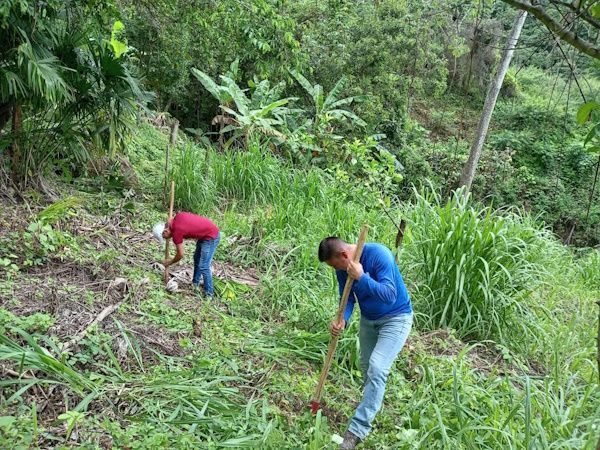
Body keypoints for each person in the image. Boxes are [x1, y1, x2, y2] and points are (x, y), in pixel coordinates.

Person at [318, 237, 413, 450]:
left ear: (343, 255)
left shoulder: (380, 254)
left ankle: (356, 431)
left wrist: (362, 277)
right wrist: (343, 318)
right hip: (369, 320)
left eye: (335, 265)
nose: (336, 270)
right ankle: (371, 403)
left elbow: (389, 295)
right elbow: (348, 297)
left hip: (396, 318)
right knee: (366, 366)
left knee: (377, 367)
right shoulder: (341, 268)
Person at [153, 212, 220, 298]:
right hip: (205, 234)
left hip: (211, 236)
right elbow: (170, 221)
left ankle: (209, 294)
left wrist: (170, 262)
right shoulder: (176, 218)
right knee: (197, 258)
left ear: (165, 231)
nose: (166, 239)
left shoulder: (177, 232)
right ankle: (195, 283)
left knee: (204, 266)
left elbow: (180, 254)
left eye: (164, 237)